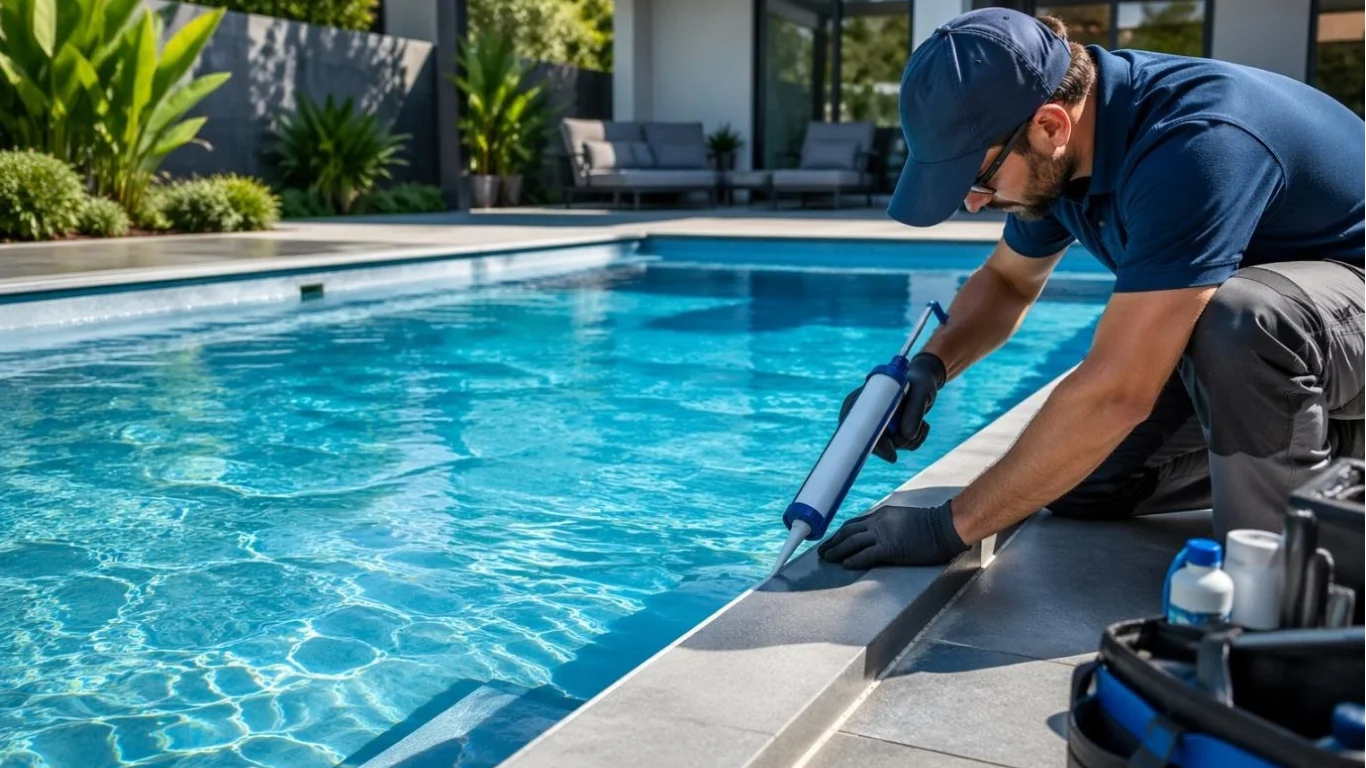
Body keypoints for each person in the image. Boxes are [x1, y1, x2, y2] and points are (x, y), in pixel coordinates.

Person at [816, 9, 1365, 585]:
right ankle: (1327, 450)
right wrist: (930, 366)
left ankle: (1282, 581)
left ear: (1050, 126)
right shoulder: (1066, 151)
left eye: (977, 181)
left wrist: (947, 528)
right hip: (1313, 345)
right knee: (1079, 478)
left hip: (1338, 309)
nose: (974, 204)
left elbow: (1117, 393)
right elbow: (1007, 282)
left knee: (1242, 319)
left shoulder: (1196, 143)